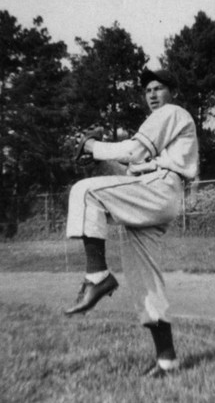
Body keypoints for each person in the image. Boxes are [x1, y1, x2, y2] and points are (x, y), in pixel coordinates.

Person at [64, 68, 199, 378]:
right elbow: (131, 165)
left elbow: (134, 150)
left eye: (158, 88)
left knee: (84, 191)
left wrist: (91, 146)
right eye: (148, 90)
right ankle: (167, 359)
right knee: (144, 279)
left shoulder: (172, 112)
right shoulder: (160, 125)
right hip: (153, 194)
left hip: (160, 188)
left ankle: (97, 276)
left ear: (171, 93)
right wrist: (97, 152)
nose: (152, 94)